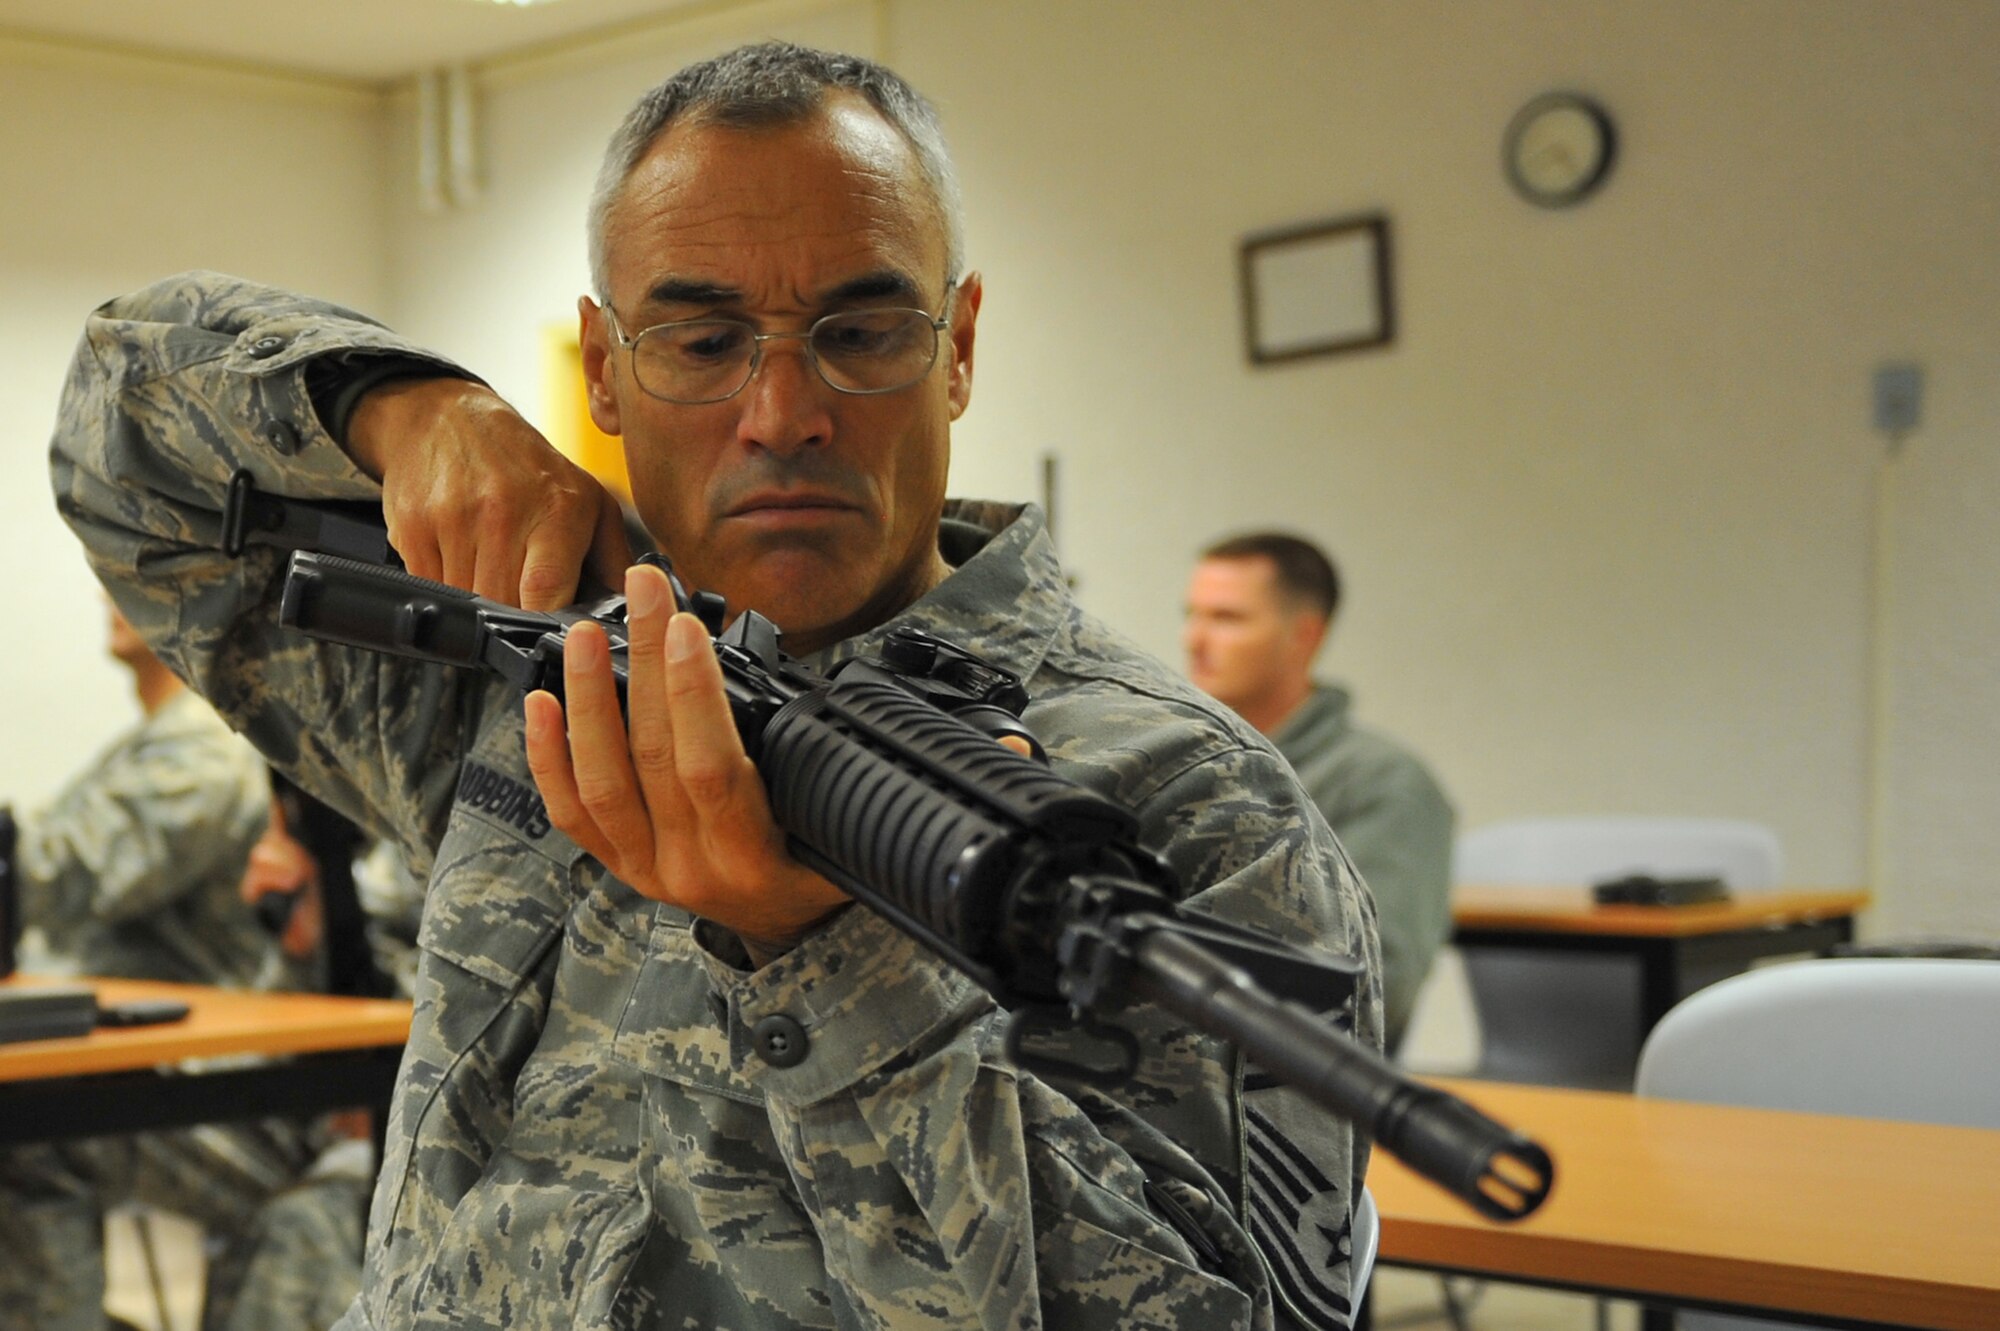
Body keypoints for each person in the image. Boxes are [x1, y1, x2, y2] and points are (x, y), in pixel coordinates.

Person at [51, 41, 1380, 1331]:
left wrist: (834, 964)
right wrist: (401, 405)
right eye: (700, 340)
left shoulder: (1184, 804)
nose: (783, 408)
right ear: (603, 373)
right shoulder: (535, 673)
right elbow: (122, 431)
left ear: (960, 347)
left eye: (861, 330)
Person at [0, 604, 331, 1331]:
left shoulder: (206, 751)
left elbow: (49, 874)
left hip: (225, 1088)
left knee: (29, 1123)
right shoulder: (156, 741)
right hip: (147, 1065)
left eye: (140, 582)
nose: (112, 596)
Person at [1185, 533, 1454, 1052]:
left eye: (1226, 618)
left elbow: (1377, 989)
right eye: (1192, 614)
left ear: (1303, 635)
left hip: (1296, 1094)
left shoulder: (1383, 783)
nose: (1194, 640)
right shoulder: (1186, 765)